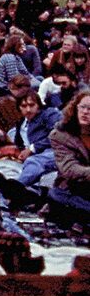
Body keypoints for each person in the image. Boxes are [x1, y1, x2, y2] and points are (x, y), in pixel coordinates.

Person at [48, 91, 90, 223]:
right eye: (82, 107)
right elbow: (69, 168)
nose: (85, 112)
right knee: (56, 195)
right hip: (74, 187)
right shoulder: (60, 135)